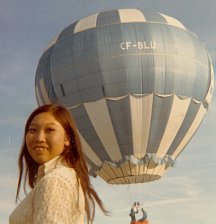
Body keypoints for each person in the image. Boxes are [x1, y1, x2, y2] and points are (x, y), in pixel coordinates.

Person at [9, 104, 107, 224]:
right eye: (33, 130)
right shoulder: (64, 177)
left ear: (67, 138)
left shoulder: (55, 180)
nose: (39, 138)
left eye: (50, 130)